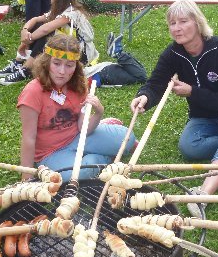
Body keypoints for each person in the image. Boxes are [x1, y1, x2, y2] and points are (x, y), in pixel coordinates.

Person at [129, 0, 218, 217]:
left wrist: (193, 92)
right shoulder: (173, 54)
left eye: (183, 21)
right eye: (172, 23)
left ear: (197, 22)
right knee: (189, 147)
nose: (177, 28)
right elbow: (156, 83)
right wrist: (143, 97)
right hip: (205, 117)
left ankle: (203, 195)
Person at [17, 33, 136, 182]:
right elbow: (29, 138)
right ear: (46, 62)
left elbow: (83, 127)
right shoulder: (32, 92)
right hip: (51, 152)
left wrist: (99, 112)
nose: (62, 71)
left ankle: (101, 144)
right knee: (75, 176)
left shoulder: (78, 85)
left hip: (78, 137)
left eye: (69, 65)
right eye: (57, 63)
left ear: (76, 66)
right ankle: (103, 157)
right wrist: (26, 178)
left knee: (129, 139)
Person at [0, 0, 98, 85]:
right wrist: (24, 31)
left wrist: (24, 43)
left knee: (46, 34)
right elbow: (35, 19)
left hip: (80, 54)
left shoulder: (71, 13)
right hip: (66, 46)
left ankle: (26, 69)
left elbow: (45, 29)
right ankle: (18, 63)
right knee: (38, 28)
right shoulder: (60, 11)